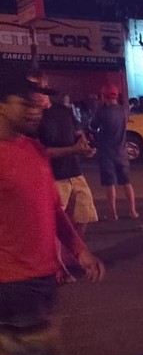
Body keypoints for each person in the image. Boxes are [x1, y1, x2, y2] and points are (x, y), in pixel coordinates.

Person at [0, 71, 113, 355]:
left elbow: (51, 208)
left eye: (38, 103)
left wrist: (79, 249)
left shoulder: (32, 148)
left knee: (17, 352)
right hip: (12, 278)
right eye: (26, 103)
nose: (36, 110)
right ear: (2, 106)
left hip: (42, 272)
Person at [37, 89, 99, 282]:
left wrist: (84, 146)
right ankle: (57, 267)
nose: (37, 95)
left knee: (83, 215)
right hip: (54, 176)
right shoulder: (34, 117)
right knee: (56, 223)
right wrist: (73, 149)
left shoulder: (63, 111)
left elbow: (78, 134)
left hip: (75, 172)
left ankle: (69, 255)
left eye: (40, 89)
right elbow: (42, 152)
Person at [90, 84, 139, 220]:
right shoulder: (123, 111)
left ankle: (113, 213)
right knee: (126, 182)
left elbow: (93, 125)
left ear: (104, 96)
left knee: (110, 184)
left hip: (106, 153)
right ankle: (133, 211)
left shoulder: (101, 111)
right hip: (121, 152)